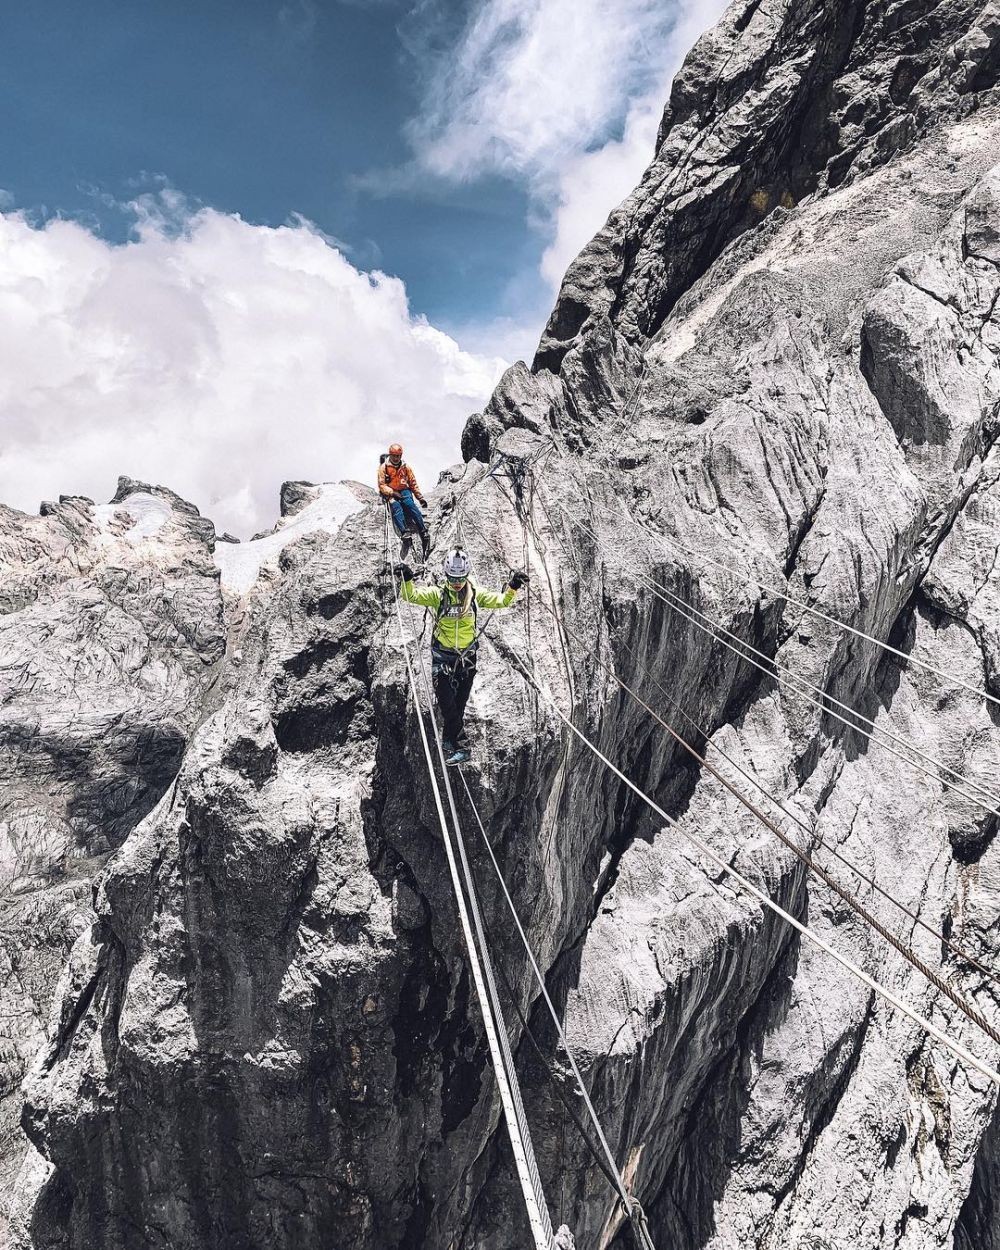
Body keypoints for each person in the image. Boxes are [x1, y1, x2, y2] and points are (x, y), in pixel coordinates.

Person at [398, 548, 528, 765]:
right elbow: (410, 595)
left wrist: (513, 586)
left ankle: (449, 740)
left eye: (460, 578)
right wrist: (407, 578)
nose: (457, 582)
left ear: (466, 575)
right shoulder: (437, 595)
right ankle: (463, 747)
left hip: (466, 659)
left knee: (457, 706)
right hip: (443, 657)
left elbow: (502, 601)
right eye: (452, 578)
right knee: (448, 704)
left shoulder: (475, 595)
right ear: (446, 575)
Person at [378, 443, 431, 561]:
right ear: (390, 455)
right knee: (396, 508)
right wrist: (392, 492)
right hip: (391, 492)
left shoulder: (406, 467)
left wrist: (420, 498)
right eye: (394, 456)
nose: (396, 458)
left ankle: (423, 531)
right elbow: (382, 485)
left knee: (411, 506)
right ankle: (404, 532)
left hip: (404, 490)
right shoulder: (384, 468)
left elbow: (412, 482)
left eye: (398, 456)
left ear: (401, 455)